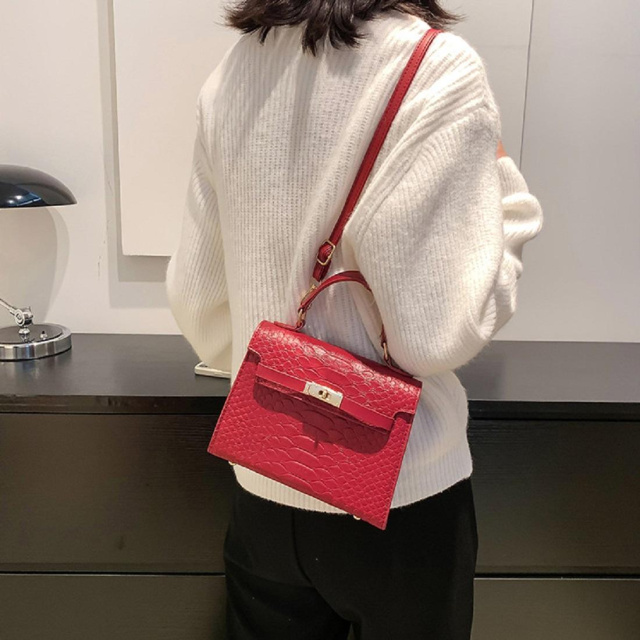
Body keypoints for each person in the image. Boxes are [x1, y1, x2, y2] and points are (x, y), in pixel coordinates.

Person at [166, 1, 544, 638]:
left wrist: (291, 383)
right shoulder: (436, 67)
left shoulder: (236, 68)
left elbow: (197, 298)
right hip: (401, 496)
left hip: (267, 482)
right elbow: (436, 335)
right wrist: (511, 207)